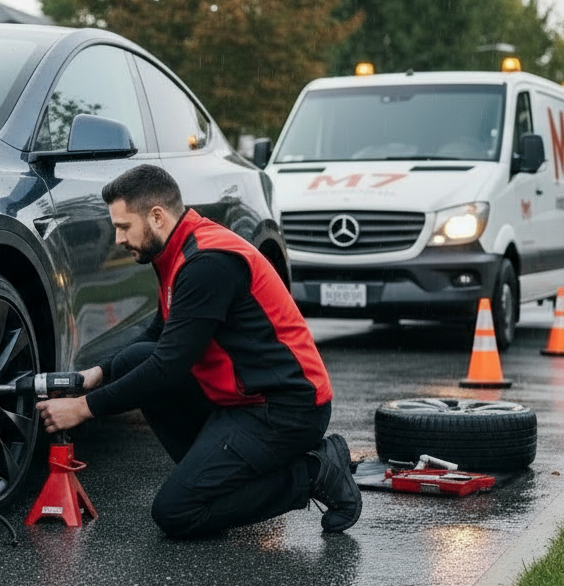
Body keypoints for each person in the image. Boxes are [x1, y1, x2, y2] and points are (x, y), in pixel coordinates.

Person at [35, 164, 361, 538]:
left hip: (286, 409)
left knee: (177, 511)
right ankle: (219, 478)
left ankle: (316, 473)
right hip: (244, 400)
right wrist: (99, 374)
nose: (118, 238)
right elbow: (159, 335)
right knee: (136, 358)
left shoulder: (207, 262)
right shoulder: (178, 250)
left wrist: (81, 408)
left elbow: (169, 366)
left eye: (123, 226)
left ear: (156, 216)